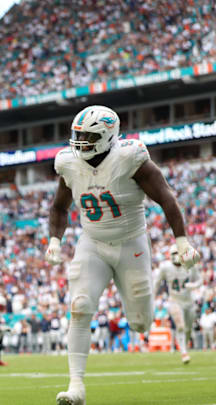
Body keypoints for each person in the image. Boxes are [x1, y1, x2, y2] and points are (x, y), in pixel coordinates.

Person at [45, 105, 201, 405]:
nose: (80, 142)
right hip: (92, 242)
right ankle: (76, 387)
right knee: (79, 306)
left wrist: (182, 242)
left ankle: (142, 315)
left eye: (88, 136)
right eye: (78, 134)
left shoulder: (130, 158)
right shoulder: (68, 163)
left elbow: (166, 198)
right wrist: (55, 239)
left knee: (141, 323)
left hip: (132, 244)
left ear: (107, 135)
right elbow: (58, 207)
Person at [154, 244, 202, 363]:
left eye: (177, 253)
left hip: (189, 301)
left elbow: (200, 279)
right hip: (174, 300)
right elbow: (156, 283)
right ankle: (184, 352)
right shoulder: (165, 267)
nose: (176, 256)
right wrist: (152, 298)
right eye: (174, 254)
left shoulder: (190, 266)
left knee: (188, 328)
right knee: (180, 325)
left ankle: (184, 347)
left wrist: (194, 286)